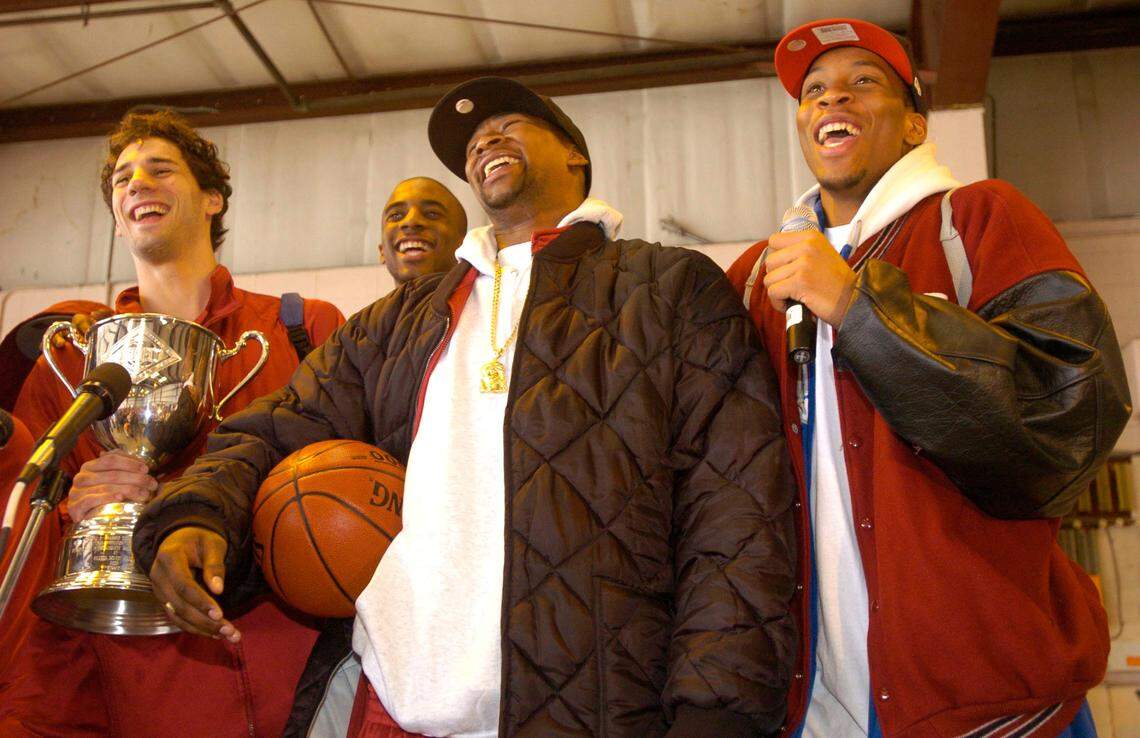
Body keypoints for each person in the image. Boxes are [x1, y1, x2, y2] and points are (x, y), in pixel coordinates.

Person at [135, 76, 798, 738]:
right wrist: (199, 513)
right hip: (393, 710)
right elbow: (278, 429)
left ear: (576, 155)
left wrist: (718, 712)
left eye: (510, 125)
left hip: (597, 707)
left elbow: (736, 507)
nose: (486, 141)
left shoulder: (669, 287)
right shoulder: (398, 321)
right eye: (475, 143)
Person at [725, 18, 1131, 738]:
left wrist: (859, 309)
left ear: (914, 126)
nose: (830, 101)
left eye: (862, 83)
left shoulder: (977, 218)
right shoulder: (761, 270)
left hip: (990, 704)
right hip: (813, 707)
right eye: (814, 91)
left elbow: (1074, 411)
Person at [0, 110, 345, 737]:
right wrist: (75, 507)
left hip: (295, 665)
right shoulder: (69, 359)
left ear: (212, 198)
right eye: (122, 180)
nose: (137, 184)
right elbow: (22, 533)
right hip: (146, 683)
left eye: (161, 170)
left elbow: (348, 475)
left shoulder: (300, 329)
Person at [379, 176, 466, 284]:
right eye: (396, 215)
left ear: (464, 247)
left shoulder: (487, 300)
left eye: (432, 213)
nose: (410, 222)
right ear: (382, 251)